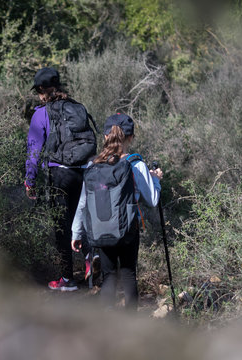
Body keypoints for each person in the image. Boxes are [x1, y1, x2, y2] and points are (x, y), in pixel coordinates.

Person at [71, 113, 163, 310]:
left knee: (108, 275)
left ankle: (107, 326)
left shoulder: (92, 165)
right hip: (129, 228)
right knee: (129, 273)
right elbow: (153, 200)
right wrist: (155, 179)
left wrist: (76, 232)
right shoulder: (135, 164)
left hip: (101, 228)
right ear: (130, 137)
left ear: (105, 137)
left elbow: (82, 203)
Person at [25, 67, 98, 291]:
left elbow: (34, 149)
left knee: (61, 226)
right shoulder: (76, 107)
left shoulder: (42, 113)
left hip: (60, 174)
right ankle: (90, 257)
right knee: (82, 221)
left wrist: (30, 179)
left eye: (38, 92)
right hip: (84, 172)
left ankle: (67, 280)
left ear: (42, 90)